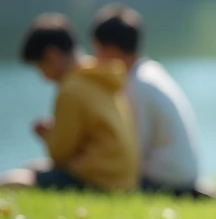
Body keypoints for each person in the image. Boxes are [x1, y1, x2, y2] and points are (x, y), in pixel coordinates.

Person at [0, 13, 139, 192]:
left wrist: (48, 135)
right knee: (32, 167)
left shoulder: (71, 90)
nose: (42, 75)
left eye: (40, 67)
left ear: (52, 56)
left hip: (98, 181)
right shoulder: (98, 77)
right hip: (122, 180)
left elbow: (60, 153)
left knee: (11, 180)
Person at [90, 4, 202, 196]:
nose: (95, 58)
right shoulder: (149, 72)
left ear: (111, 49)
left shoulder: (138, 85)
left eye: (98, 50)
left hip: (165, 182)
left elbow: (133, 150)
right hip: (182, 176)